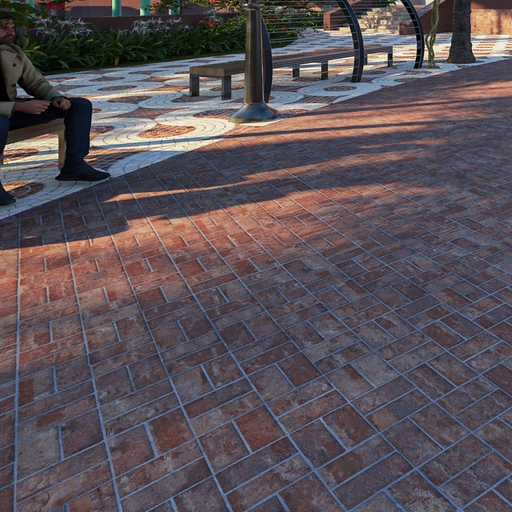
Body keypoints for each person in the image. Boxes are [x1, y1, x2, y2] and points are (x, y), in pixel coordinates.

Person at [0, 10, 110, 206]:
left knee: (79, 106)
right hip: (6, 115)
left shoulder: (13, 52)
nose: (10, 31)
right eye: (3, 27)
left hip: (13, 113)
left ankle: (74, 166)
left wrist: (55, 98)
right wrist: (17, 106)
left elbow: (35, 83)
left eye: (12, 27)